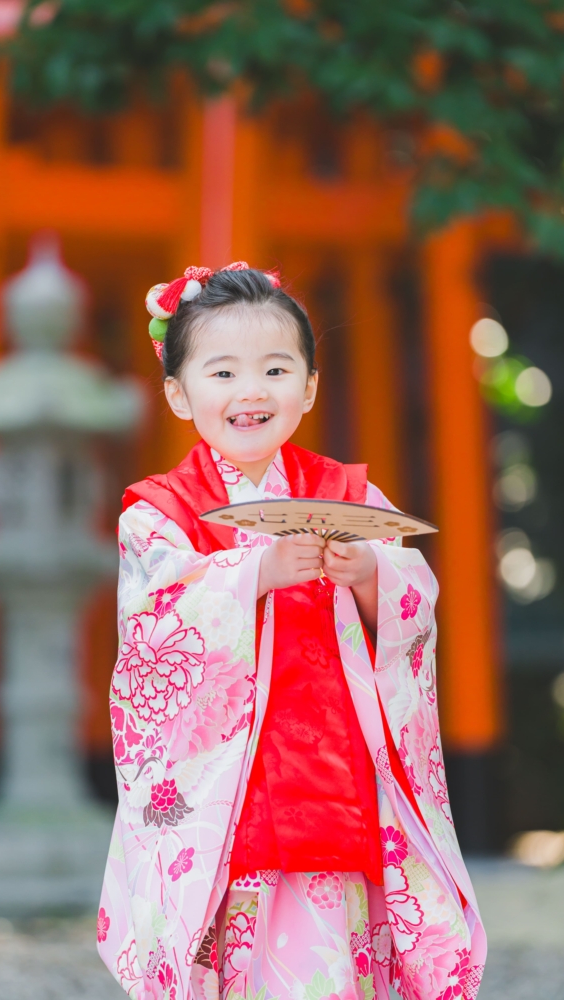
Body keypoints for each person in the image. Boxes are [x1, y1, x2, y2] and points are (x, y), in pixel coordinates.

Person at [97, 263, 486, 1000]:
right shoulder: (158, 513)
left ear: (307, 387)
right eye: (222, 371)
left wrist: (370, 572)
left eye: (276, 369)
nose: (251, 391)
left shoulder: (348, 494)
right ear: (179, 394)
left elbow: (414, 598)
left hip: (335, 766)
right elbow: (151, 637)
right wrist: (254, 574)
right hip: (231, 787)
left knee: (328, 955)